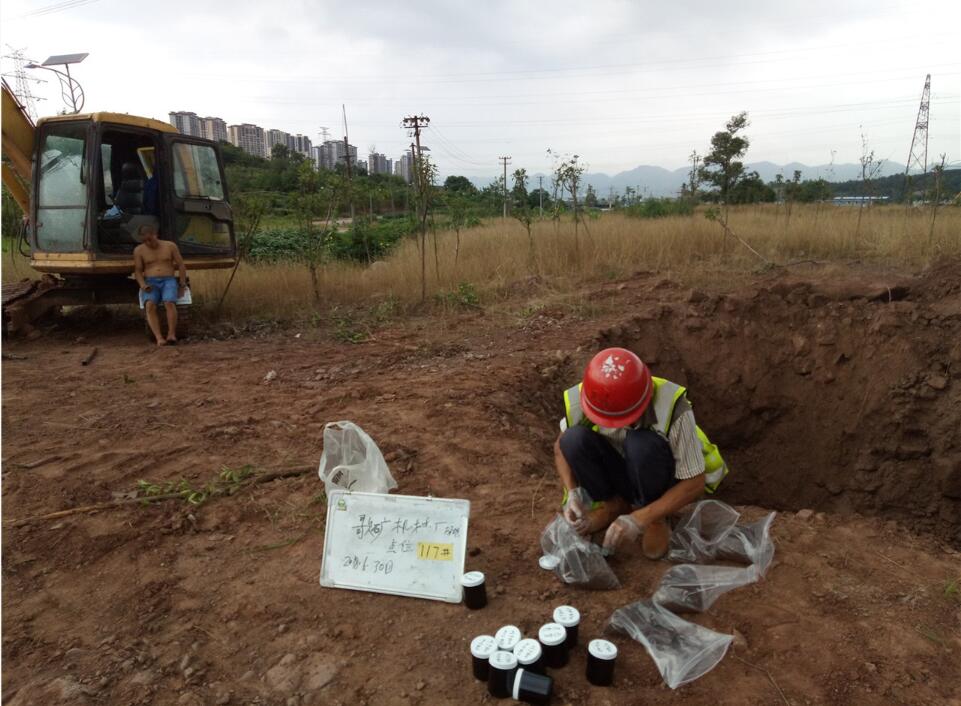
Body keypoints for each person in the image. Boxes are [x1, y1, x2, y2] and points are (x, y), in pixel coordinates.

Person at [553, 347, 728, 559]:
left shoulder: (672, 406)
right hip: (621, 468)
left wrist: (640, 518)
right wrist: (572, 492)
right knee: (574, 439)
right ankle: (612, 505)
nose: (614, 426)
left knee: (641, 444)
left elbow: (695, 482)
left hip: (659, 473)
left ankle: (655, 518)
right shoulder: (590, 394)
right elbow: (561, 447)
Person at [133, 224, 187, 346]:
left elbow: (181, 265)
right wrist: (142, 285)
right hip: (151, 281)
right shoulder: (139, 250)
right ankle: (159, 338)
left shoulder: (170, 246)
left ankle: (171, 334)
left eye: (150, 239)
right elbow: (138, 270)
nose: (148, 243)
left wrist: (182, 284)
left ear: (155, 235)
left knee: (169, 302)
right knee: (150, 305)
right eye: (144, 240)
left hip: (168, 280)